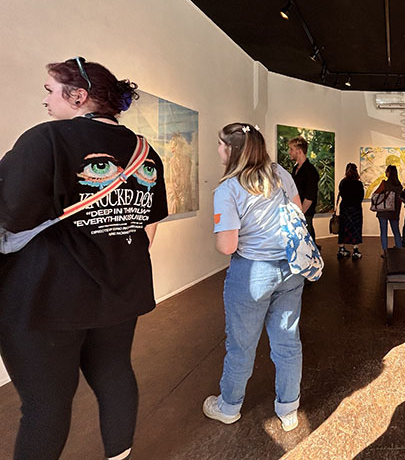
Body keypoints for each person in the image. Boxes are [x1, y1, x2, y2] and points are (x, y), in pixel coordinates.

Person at [0, 57, 168, 460]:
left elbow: (10, 215)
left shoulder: (46, 139)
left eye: (50, 90)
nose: (45, 100)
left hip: (47, 298)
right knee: (114, 373)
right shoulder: (146, 152)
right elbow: (148, 227)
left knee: (44, 404)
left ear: (78, 96)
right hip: (119, 292)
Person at [204, 123, 305, 433]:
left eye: (221, 144)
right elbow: (298, 214)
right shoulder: (280, 173)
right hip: (290, 269)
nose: (218, 150)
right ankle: (288, 409)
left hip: (252, 274)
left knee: (242, 345)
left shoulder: (229, 188)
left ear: (232, 150)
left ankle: (229, 407)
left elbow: (227, 246)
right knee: (287, 341)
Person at [288, 136, 320, 243]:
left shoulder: (310, 171)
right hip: (297, 212)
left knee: (308, 243)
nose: (289, 152)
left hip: (305, 213)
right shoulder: (295, 169)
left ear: (299, 151)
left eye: (291, 149)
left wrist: (300, 214)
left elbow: (310, 196)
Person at [337, 163, 365, 259]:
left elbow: (341, 194)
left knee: (343, 228)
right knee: (355, 229)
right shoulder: (358, 184)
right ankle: (355, 251)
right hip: (355, 209)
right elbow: (361, 197)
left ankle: (341, 249)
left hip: (344, 208)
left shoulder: (343, 182)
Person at [374, 164, 403, 251]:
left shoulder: (384, 184)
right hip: (394, 211)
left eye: (386, 171)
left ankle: (385, 251)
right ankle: (399, 249)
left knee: (383, 232)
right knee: (396, 231)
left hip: (383, 210)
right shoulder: (399, 186)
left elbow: (376, 194)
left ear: (389, 173)